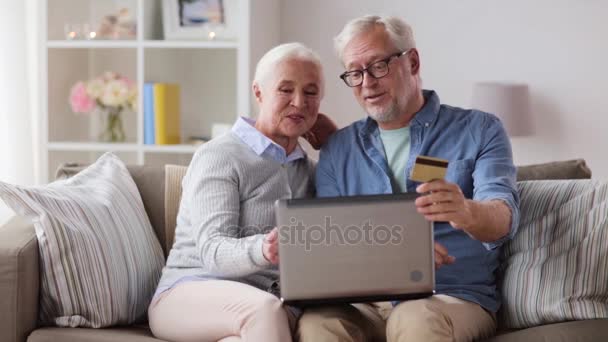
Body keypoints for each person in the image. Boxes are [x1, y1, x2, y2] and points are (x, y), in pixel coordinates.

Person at [297, 15, 520, 342]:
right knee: (318, 323)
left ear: (412, 61)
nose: (367, 83)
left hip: (449, 298)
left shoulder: (480, 129)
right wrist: (400, 258)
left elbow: (503, 217)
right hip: (366, 303)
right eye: (355, 73)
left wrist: (467, 211)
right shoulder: (339, 148)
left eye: (378, 66)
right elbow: (332, 246)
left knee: (415, 316)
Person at [148, 42, 334, 342]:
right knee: (265, 312)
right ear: (259, 92)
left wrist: (336, 143)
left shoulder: (310, 171)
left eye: (310, 92)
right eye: (285, 90)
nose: (299, 102)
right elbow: (212, 252)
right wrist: (264, 249)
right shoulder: (221, 155)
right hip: (188, 293)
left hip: (261, 308)